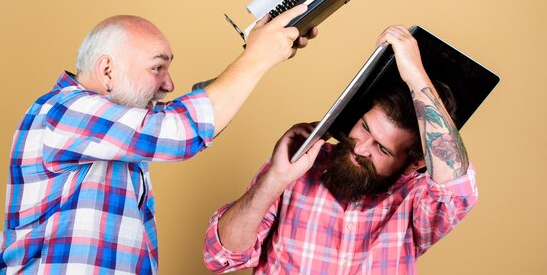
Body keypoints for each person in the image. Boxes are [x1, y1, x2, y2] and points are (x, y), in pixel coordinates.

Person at [0, 5, 318, 274]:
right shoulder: (63, 112)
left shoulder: (111, 130)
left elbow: (192, 119)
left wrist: (261, 51)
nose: (169, 84)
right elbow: (181, 130)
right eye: (157, 68)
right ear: (107, 70)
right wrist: (257, 59)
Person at [203, 25, 478, 274]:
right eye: (365, 128)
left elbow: (456, 188)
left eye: (383, 149)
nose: (361, 148)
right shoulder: (301, 164)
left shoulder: (416, 200)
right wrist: (275, 178)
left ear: (413, 164)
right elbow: (220, 257)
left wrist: (414, 73)